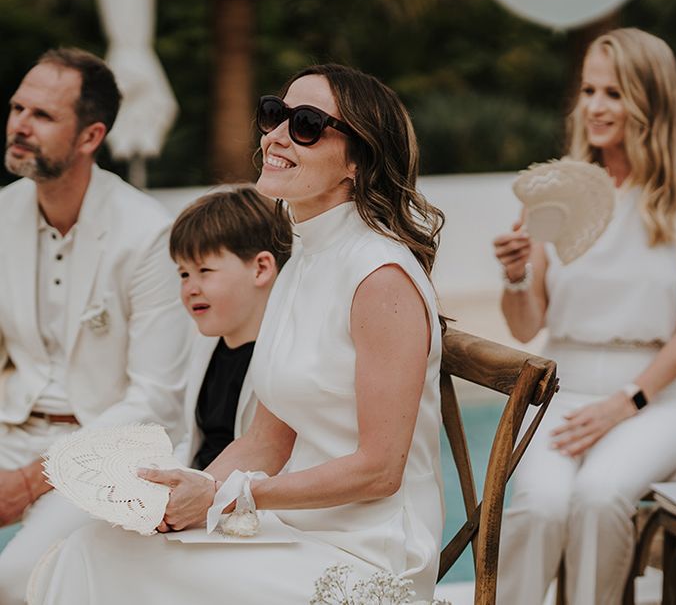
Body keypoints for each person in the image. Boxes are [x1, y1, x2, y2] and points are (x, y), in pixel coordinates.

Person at [34, 63, 446, 604]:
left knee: (101, 567)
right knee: (94, 547)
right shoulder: (303, 258)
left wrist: (228, 497)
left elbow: (380, 470)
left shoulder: (379, 277)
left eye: (306, 124)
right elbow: (267, 440)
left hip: (367, 556)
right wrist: (173, 496)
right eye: (274, 114)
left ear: (355, 159)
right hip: (296, 530)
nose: (274, 135)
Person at [492, 28, 676, 604]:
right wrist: (517, 273)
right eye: (589, 90)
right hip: (563, 388)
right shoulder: (554, 192)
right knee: (541, 506)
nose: (595, 107)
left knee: (600, 496)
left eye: (615, 93)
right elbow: (527, 327)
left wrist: (627, 402)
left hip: (657, 397)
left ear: (651, 103)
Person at [0, 47, 191, 604]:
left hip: (106, 449)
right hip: (14, 430)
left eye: (42, 116)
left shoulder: (147, 235)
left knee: (16, 583)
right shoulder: (3, 216)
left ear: (90, 137)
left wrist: (34, 480)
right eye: (17, 108)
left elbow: (155, 400)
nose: (19, 125)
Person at [169, 186, 292, 469]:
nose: (190, 288)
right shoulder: (205, 343)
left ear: (261, 268)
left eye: (204, 271)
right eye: (184, 274)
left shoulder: (287, 356)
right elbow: (197, 442)